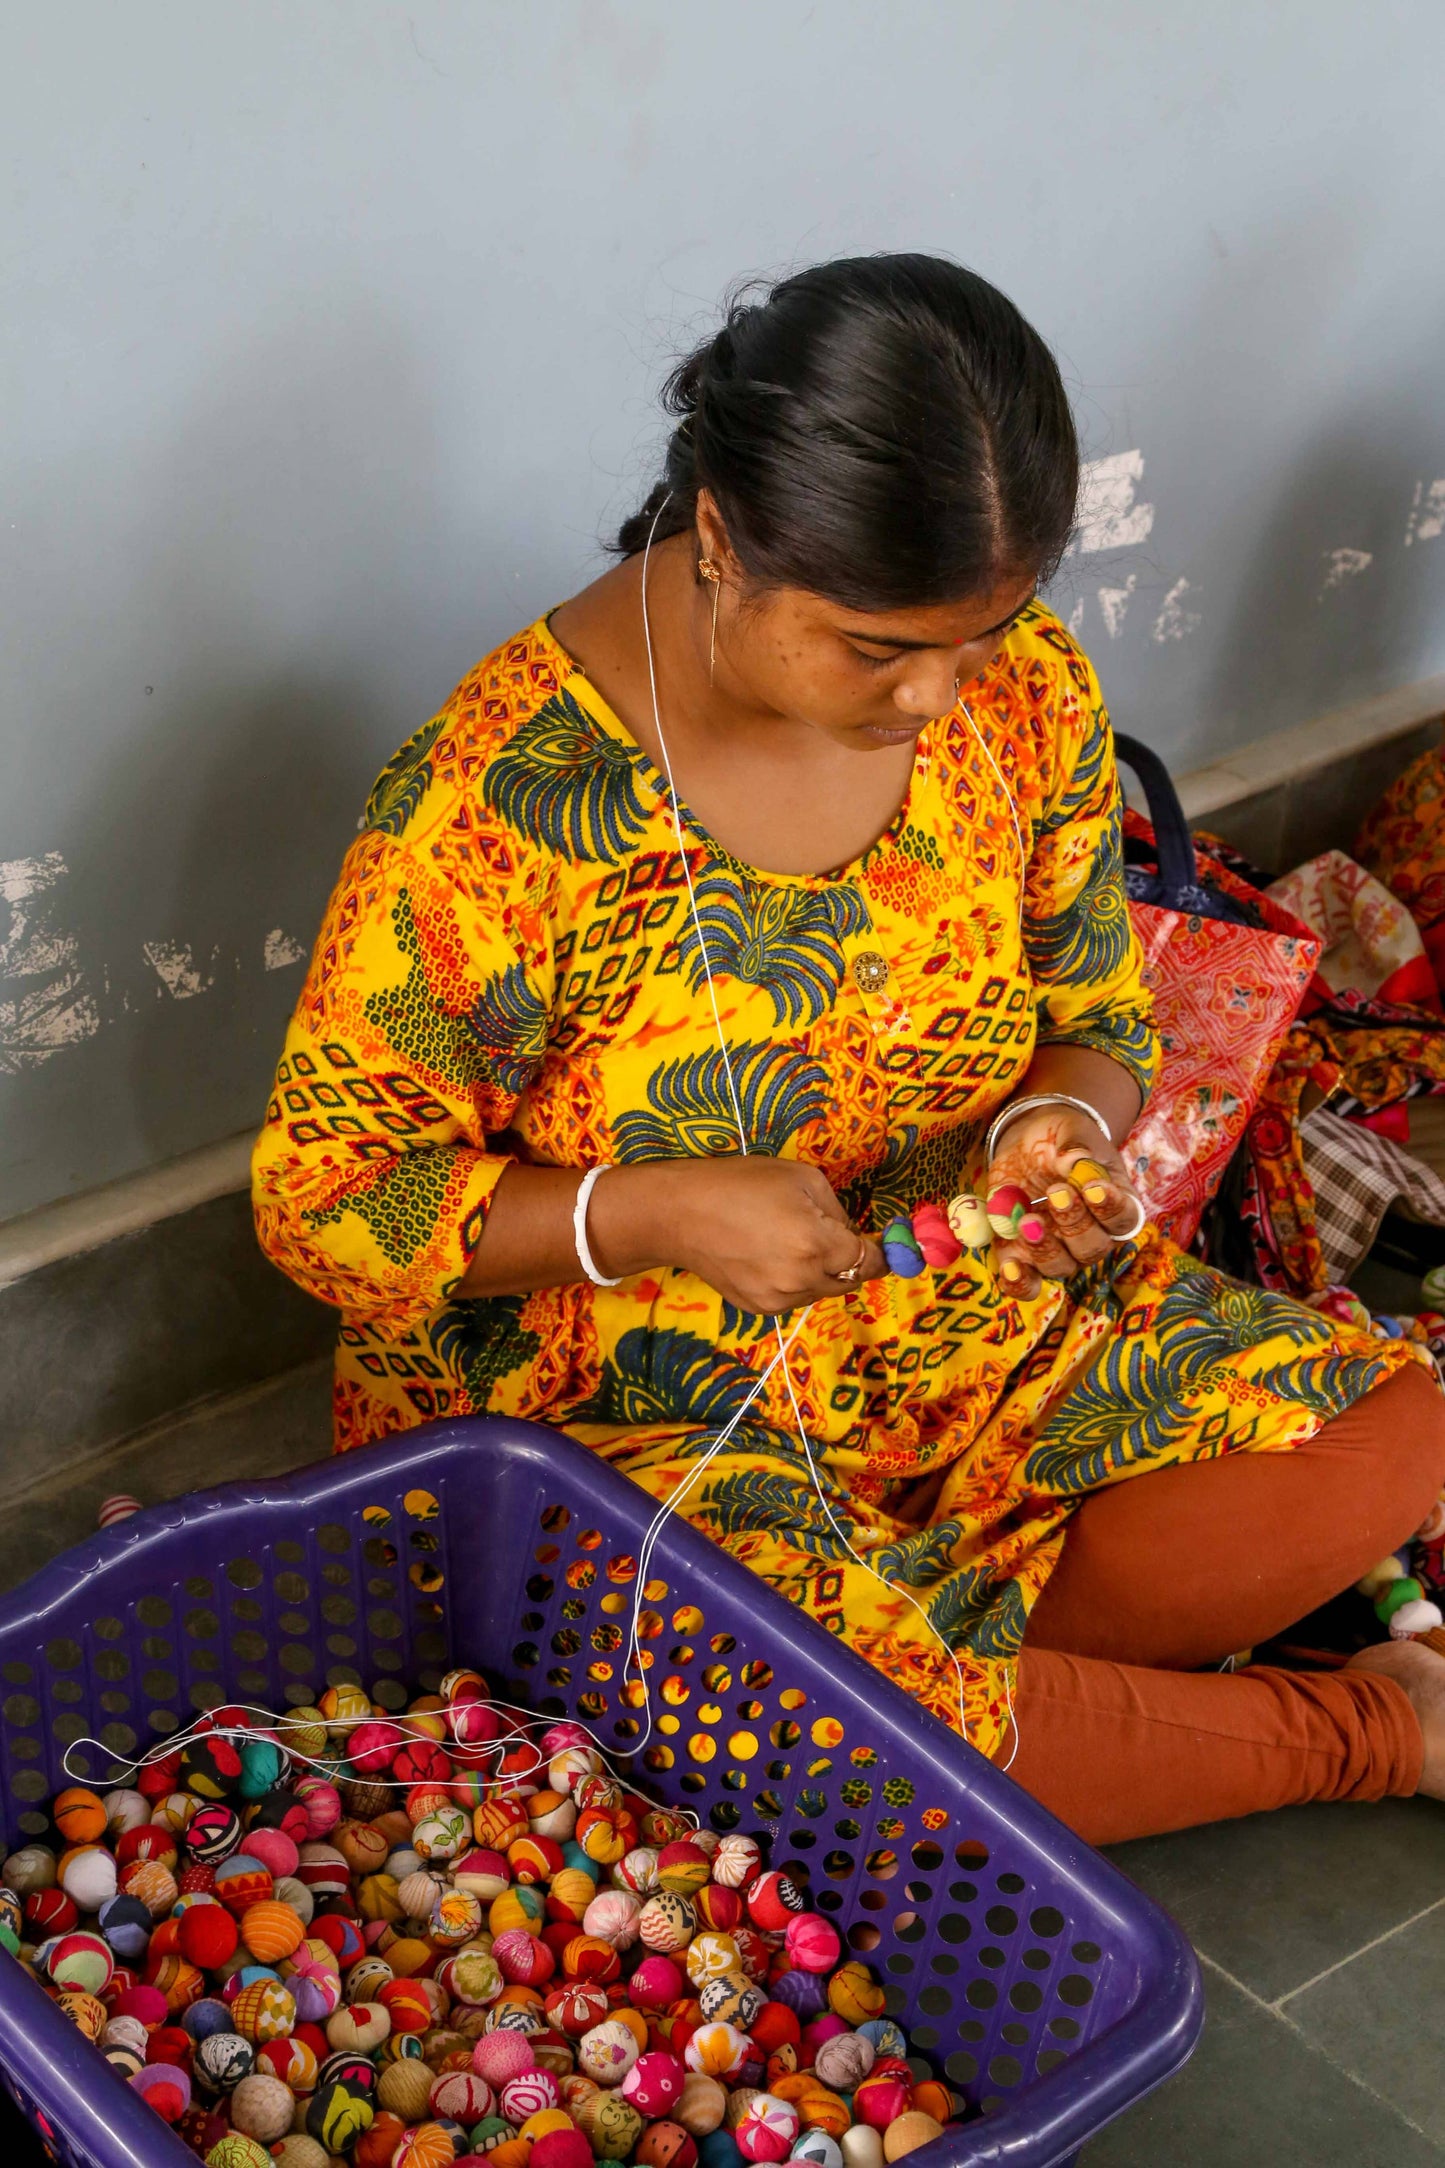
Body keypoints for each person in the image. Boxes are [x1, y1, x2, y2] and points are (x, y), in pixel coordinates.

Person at [253, 253, 1445, 1844]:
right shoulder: (499, 808)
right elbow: (327, 1201)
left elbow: (1099, 1019)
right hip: (602, 1417)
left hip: (952, 1326)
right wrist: (652, 1211)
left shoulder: (1012, 698)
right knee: (797, 1678)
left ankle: (903, 1702)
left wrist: (1063, 1133)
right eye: (878, 644)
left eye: (984, 629)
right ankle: (1347, 1733)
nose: (938, 693)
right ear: (724, 540)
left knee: (1387, 1432)